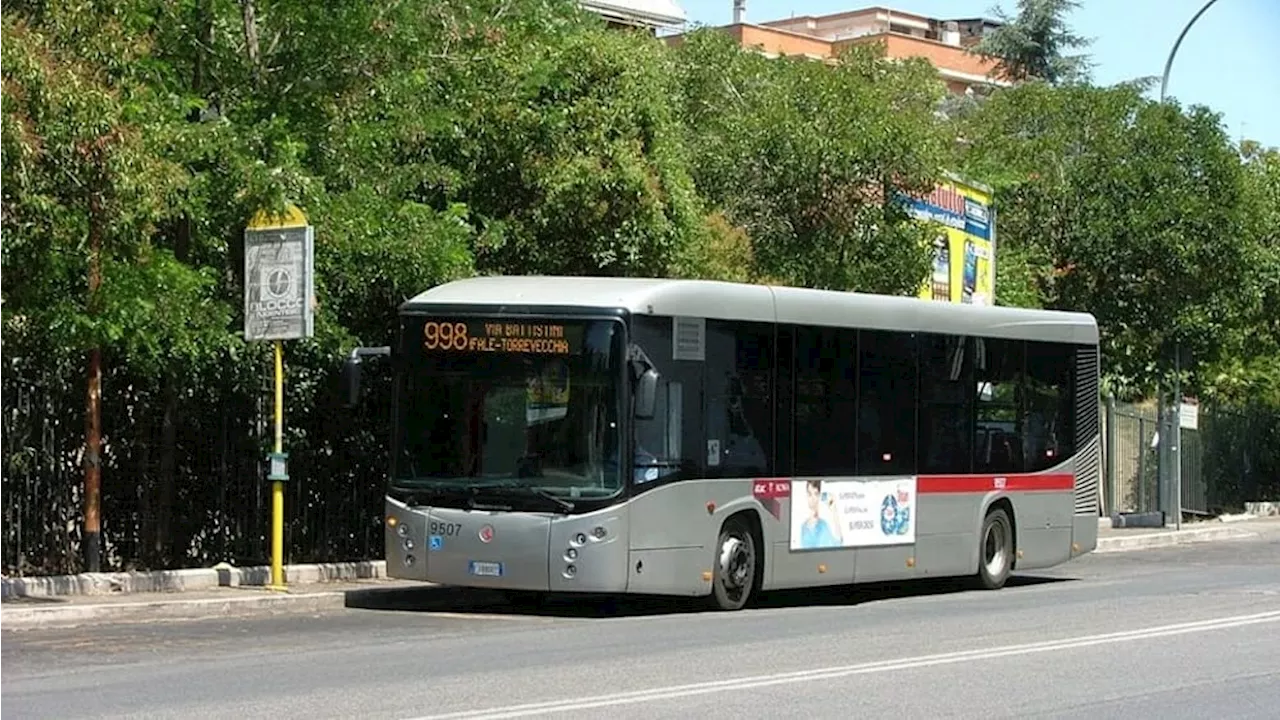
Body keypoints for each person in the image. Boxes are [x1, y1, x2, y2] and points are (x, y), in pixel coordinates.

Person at [798, 479, 843, 549]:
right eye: (810, 494)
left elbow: (838, 543)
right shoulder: (803, 527)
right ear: (806, 495)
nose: (813, 498)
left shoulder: (823, 525)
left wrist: (834, 511)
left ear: (819, 495)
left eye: (816, 494)